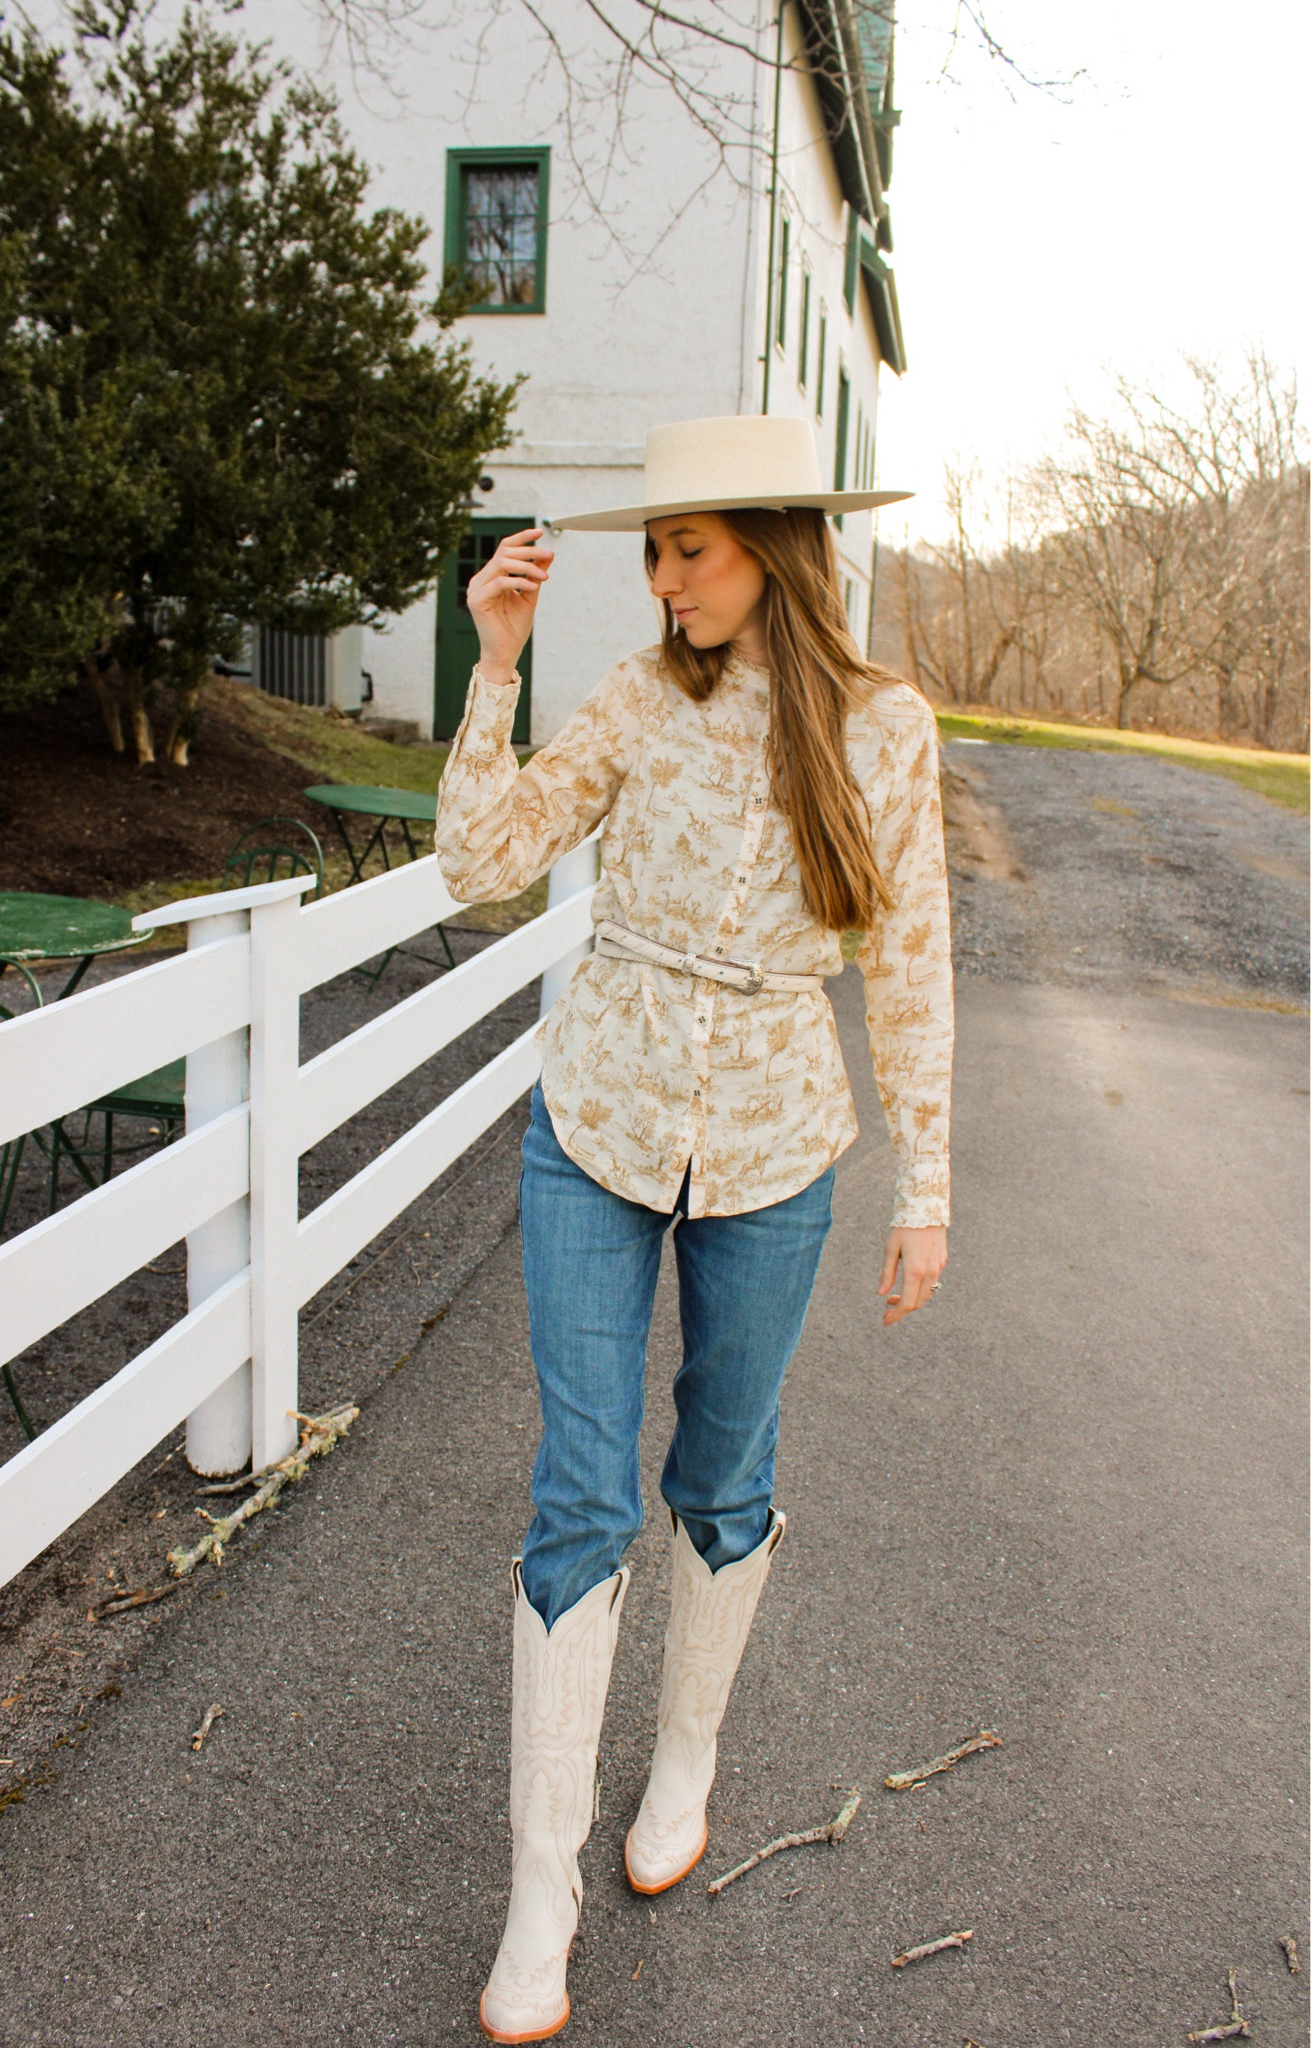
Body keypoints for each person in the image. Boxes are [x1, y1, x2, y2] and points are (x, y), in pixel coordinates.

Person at [434, 414, 953, 2045]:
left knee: (722, 1476)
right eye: (655, 552)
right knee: (579, 1494)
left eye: (689, 550)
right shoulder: (637, 696)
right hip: (595, 1121)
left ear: (776, 551)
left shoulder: (884, 728)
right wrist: (496, 666)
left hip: (777, 1144)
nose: (663, 582)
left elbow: (912, 962)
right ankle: (541, 1891)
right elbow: (478, 866)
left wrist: (926, 1188)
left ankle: (683, 1763)